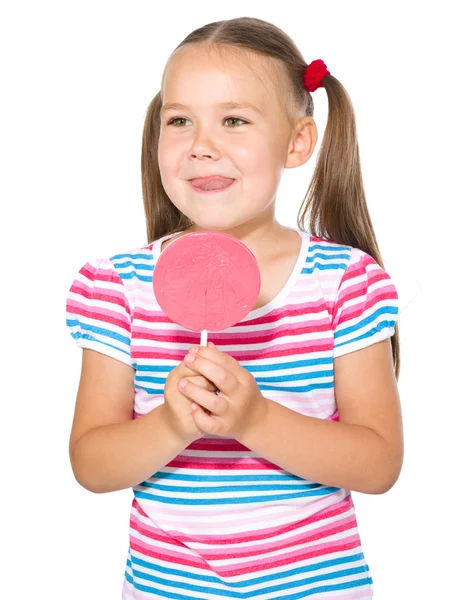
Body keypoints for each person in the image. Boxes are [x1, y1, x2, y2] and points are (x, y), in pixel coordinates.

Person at [65, 16, 404, 599]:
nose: (202, 144)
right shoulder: (117, 287)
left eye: (234, 120)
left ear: (297, 142)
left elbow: (378, 464)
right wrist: (171, 424)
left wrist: (254, 420)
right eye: (179, 121)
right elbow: (93, 465)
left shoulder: (344, 283)